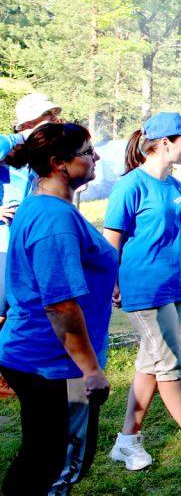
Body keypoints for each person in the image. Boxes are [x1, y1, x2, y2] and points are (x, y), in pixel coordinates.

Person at [0, 123, 116, 494]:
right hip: (53, 363)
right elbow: (60, 306)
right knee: (52, 463)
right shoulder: (55, 219)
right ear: (59, 164)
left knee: (43, 455)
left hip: (40, 356)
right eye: (87, 151)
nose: (96, 157)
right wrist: (90, 370)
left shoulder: (39, 205)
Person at [104, 112, 181, 471]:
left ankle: (126, 440)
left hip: (176, 285)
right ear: (165, 143)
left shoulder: (172, 185)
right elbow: (112, 242)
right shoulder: (130, 186)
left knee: (150, 362)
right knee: (170, 364)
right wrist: (114, 283)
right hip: (145, 288)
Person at [0, 93, 63, 398]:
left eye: (53, 115)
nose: (53, 120)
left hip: (28, 240)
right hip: (3, 242)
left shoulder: (43, 153)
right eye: (46, 116)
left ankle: (13, 370)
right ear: (28, 122)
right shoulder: (5, 142)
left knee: (21, 304)